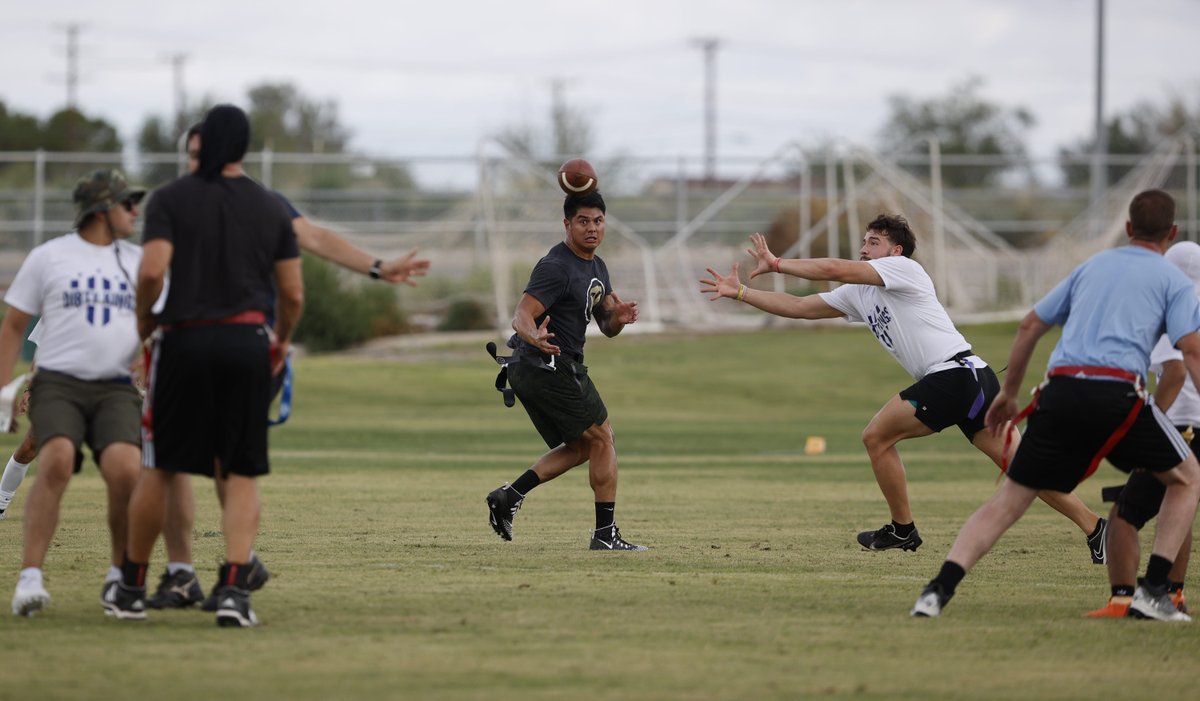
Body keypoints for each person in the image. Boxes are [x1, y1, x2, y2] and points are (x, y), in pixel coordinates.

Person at [139, 123, 431, 612]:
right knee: (180, 461)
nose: (196, 161)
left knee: (221, 462)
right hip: (188, 344)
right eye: (190, 153)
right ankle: (193, 570)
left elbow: (314, 237)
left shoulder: (260, 203)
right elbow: (153, 272)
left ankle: (227, 568)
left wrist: (379, 267)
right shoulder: (178, 202)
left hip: (247, 346)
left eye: (202, 152)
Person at [699, 216, 1106, 559]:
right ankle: (1095, 528)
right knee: (1023, 470)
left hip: (954, 376)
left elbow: (835, 268)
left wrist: (778, 263)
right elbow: (801, 307)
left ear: (896, 251)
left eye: (873, 242)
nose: (864, 248)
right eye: (863, 241)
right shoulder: (860, 293)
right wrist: (741, 292)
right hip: (973, 377)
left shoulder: (904, 269)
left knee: (876, 436)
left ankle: (902, 529)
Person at [912, 189, 1200, 621]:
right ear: (1172, 232)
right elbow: (1190, 353)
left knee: (1009, 500)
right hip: (1117, 394)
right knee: (1187, 478)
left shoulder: (1093, 266)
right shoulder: (1174, 280)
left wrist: (1009, 393)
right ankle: (1156, 590)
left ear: (1127, 228)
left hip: (1059, 391)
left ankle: (936, 592)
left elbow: (1030, 325)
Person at [105, 104, 303, 627]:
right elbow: (293, 293)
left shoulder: (171, 198)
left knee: (161, 466)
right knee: (240, 471)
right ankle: (234, 590)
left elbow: (152, 271)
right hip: (246, 341)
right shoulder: (268, 206)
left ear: (201, 143)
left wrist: (145, 319)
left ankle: (130, 587)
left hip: (183, 341)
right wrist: (281, 339)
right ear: (244, 147)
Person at [2, 169, 146, 616]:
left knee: (125, 469)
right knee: (56, 457)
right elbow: (15, 326)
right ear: (102, 210)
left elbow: (159, 322)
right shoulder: (50, 257)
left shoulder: (140, 261)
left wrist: (150, 357)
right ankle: (30, 579)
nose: (135, 212)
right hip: (60, 382)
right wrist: (8, 389)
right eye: (127, 204)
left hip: (116, 387)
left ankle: (120, 578)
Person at [484, 190, 646, 551]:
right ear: (567, 224)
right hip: (546, 363)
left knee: (581, 446)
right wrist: (533, 335)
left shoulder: (597, 267)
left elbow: (606, 324)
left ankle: (509, 496)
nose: (592, 228)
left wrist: (618, 319)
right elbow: (521, 315)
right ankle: (605, 535)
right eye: (583, 221)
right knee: (603, 438)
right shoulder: (556, 266)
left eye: (598, 221)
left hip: (541, 366)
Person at [1084, 240, 1200, 618]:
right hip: (1193, 426)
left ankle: (1127, 599)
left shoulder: (1174, 306)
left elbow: (1176, 372)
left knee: (1125, 513)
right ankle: (1172, 594)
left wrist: (1150, 425)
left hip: (1181, 424)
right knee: (1178, 505)